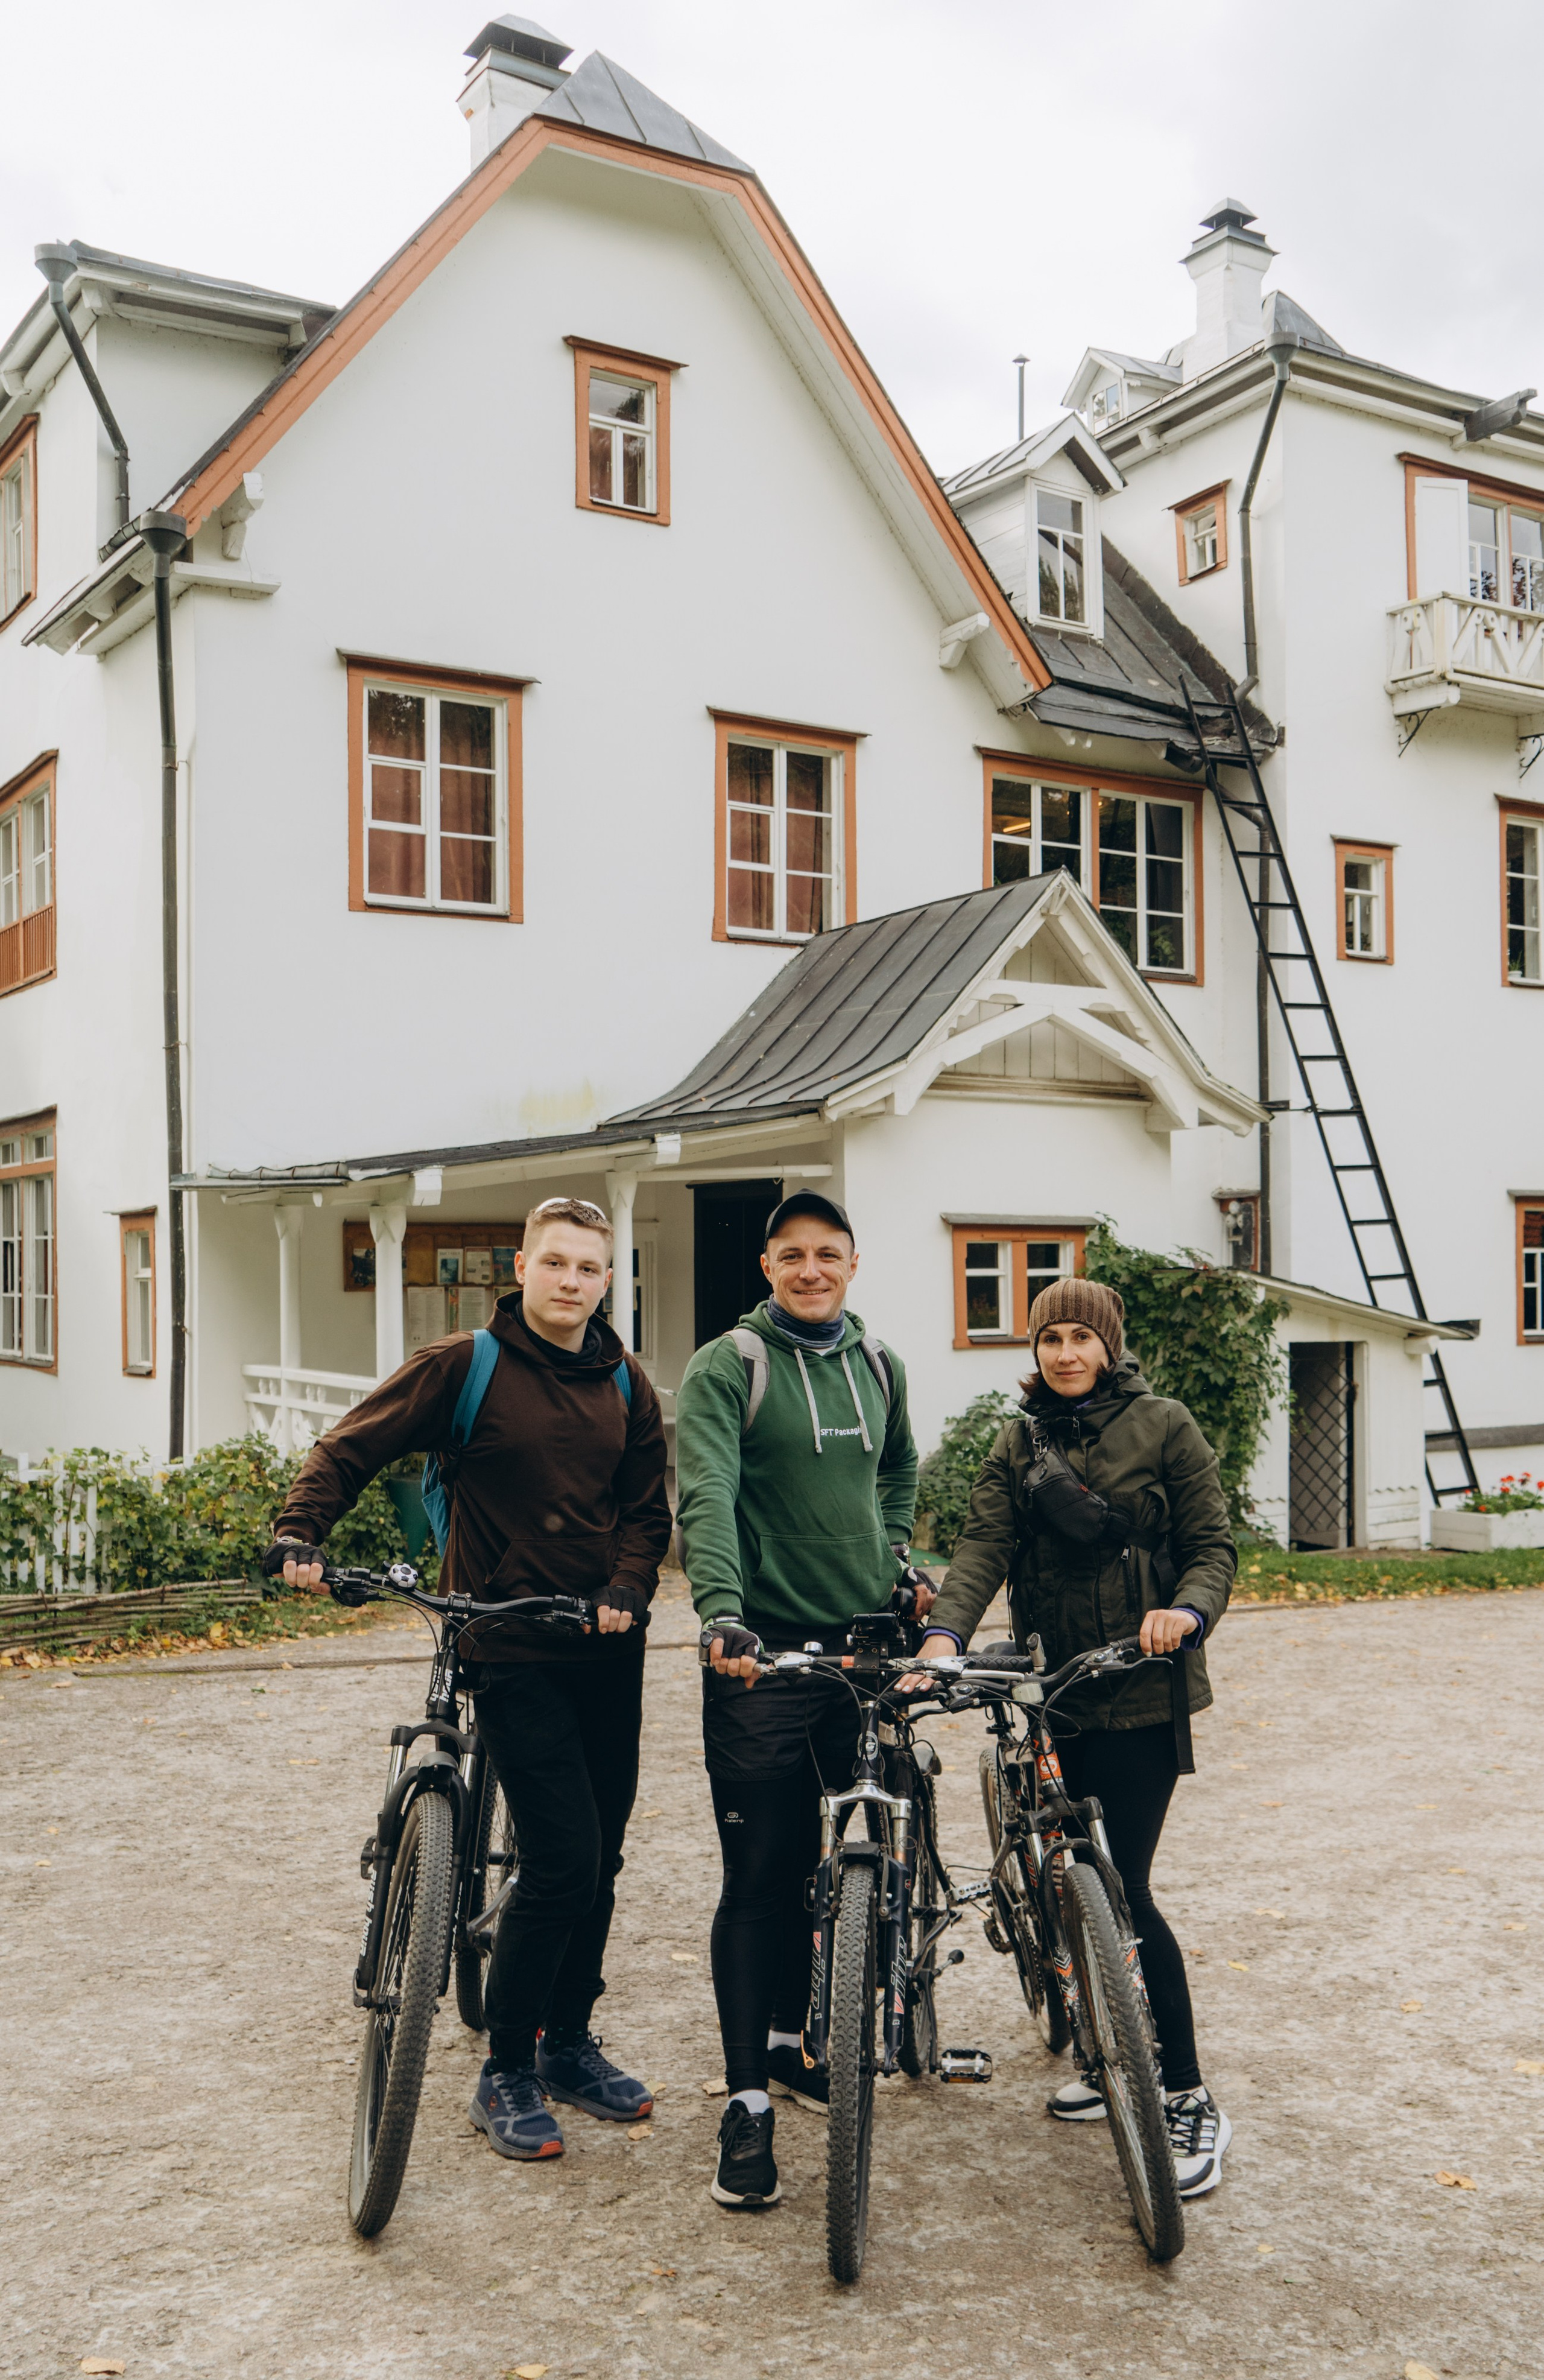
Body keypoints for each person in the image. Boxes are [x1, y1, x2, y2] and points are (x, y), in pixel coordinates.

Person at [265, 1195, 671, 2164]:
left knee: (602, 1857)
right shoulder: (465, 1367)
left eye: (589, 1268)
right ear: (522, 1269)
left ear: (607, 1281)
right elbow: (351, 1444)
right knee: (565, 1860)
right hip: (508, 1643)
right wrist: (300, 1530)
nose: (572, 1281)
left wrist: (626, 1583)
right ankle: (508, 2067)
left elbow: (647, 1508)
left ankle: (568, 2039)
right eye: (556, 1263)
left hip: (604, 1648)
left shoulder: (626, 1379)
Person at [911, 1275, 1236, 2199]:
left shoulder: (1164, 1423)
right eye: (1049, 1337)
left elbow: (1215, 1544)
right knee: (1063, 1880)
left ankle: (1185, 2093)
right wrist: (945, 1637)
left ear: (1108, 1344)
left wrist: (1185, 1609)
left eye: (1079, 1338)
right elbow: (982, 1546)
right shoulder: (1019, 1441)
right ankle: (1106, 2050)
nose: (1063, 1353)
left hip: (1138, 1691)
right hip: (1053, 1692)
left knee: (1122, 1885)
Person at [674, 1191, 929, 2210]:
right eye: (792, 1255)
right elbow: (706, 1492)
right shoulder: (728, 1366)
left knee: (840, 1870)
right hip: (762, 1655)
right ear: (769, 1268)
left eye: (829, 1254)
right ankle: (747, 2104)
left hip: (865, 1652)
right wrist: (724, 1614)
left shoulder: (880, 1365)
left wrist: (901, 1553)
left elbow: (901, 1468)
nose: (811, 1269)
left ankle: (790, 2042)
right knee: (764, 1874)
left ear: (854, 1264)